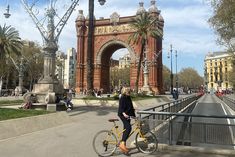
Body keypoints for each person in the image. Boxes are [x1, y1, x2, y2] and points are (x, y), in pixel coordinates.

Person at [118, 87, 136, 154]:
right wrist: (124, 113)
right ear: (125, 92)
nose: (130, 92)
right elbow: (121, 107)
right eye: (128, 91)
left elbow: (130, 106)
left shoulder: (128, 97)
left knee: (126, 129)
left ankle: (123, 147)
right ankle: (122, 144)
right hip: (123, 115)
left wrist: (133, 114)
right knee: (128, 127)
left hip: (128, 115)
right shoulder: (122, 97)